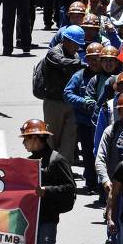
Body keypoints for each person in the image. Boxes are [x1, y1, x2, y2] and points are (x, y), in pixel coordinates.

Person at [18, 119, 76, 244]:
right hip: (27, 221)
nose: (24, 143)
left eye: (26, 139)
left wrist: (46, 191)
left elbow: (70, 189)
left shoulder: (56, 160)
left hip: (47, 220)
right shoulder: (27, 163)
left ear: (36, 138)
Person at [39, 25, 85, 166]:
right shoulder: (53, 53)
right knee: (52, 139)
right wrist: (81, 64)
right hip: (54, 103)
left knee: (69, 139)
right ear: (66, 41)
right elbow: (62, 62)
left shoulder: (75, 55)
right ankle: (49, 170)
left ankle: (64, 170)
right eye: (75, 44)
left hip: (70, 103)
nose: (77, 48)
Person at [64, 42, 103, 192]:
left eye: (97, 58)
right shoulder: (79, 75)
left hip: (104, 123)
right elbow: (67, 93)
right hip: (85, 122)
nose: (94, 62)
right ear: (86, 59)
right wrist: (83, 102)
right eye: (91, 59)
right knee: (88, 153)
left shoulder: (108, 75)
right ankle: (91, 183)